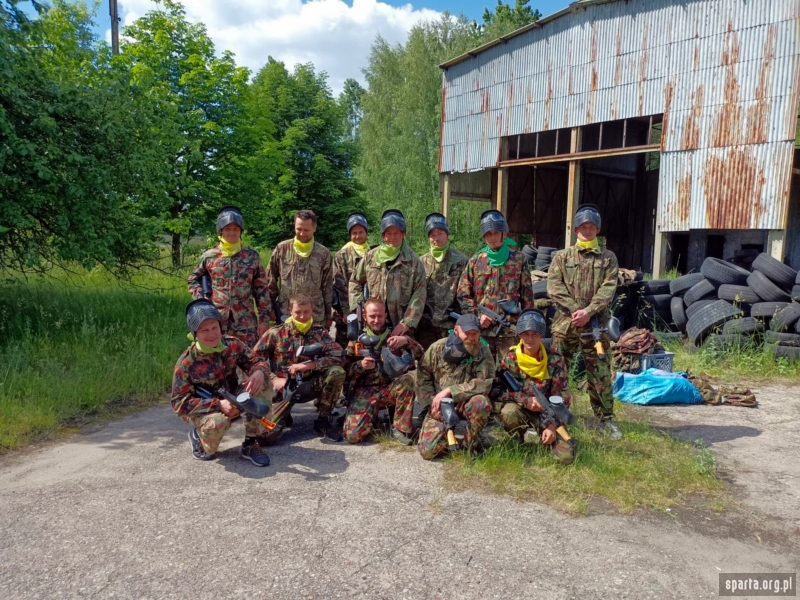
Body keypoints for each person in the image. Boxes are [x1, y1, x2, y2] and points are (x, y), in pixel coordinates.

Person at [547, 204, 621, 439]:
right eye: (582, 227)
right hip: (565, 324)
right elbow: (554, 287)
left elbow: (608, 288)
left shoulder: (608, 258)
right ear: (576, 229)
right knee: (556, 371)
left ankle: (605, 420)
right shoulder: (562, 257)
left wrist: (588, 312)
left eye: (591, 227)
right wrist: (575, 310)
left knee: (600, 373)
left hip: (596, 326)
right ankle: (551, 417)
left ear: (597, 229)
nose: (587, 231)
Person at [171, 299, 272, 466]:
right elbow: (178, 404)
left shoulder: (232, 344)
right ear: (195, 333)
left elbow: (257, 361)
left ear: (220, 327)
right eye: (204, 330)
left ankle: (250, 444)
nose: (211, 334)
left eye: (214, 328)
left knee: (263, 380)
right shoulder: (186, 363)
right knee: (217, 424)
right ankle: (199, 438)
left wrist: (259, 371)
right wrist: (217, 404)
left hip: (232, 398)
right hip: (205, 410)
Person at [252, 294, 346, 441]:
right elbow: (253, 360)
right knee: (265, 436)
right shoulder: (275, 333)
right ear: (290, 311)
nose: (302, 316)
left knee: (337, 372)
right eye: (298, 312)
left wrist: (311, 365)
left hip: (311, 385)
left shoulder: (320, 333)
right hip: (284, 389)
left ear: (312, 310)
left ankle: (323, 419)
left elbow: (340, 356)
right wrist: (273, 379)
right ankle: (284, 416)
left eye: (306, 312)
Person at [495, 309, 574, 464]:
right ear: (519, 335)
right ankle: (517, 440)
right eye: (526, 334)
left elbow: (562, 397)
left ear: (541, 336)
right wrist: (525, 401)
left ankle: (547, 440)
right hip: (521, 409)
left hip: (548, 414)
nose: (530, 339)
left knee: (565, 457)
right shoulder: (510, 358)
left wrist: (552, 426)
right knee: (509, 412)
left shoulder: (554, 359)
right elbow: (497, 391)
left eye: (535, 334)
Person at [342, 298, 424, 445]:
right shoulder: (356, 339)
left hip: (388, 389)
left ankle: (400, 428)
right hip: (364, 392)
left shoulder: (394, 336)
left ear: (385, 315)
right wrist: (361, 365)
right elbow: (345, 371)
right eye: (372, 316)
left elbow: (421, 355)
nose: (376, 320)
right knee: (352, 436)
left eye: (380, 316)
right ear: (364, 316)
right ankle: (370, 417)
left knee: (410, 379)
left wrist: (407, 342)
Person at [188, 205, 272, 347]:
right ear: (221, 230)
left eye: (235, 229)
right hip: (216, 322)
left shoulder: (252, 257)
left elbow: (262, 290)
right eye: (227, 229)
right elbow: (193, 280)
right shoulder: (209, 256)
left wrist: (264, 321)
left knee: (248, 358)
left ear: (241, 231)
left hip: (246, 324)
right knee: (218, 358)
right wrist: (202, 299)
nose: (232, 233)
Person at [457, 209, 534, 362]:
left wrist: (527, 327)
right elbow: (463, 294)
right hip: (482, 331)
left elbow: (527, 296)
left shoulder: (519, 260)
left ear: (504, 234)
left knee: (511, 371)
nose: (492, 238)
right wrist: (478, 316)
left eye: (495, 233)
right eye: (488, 234)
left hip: (509, 331)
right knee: (483, 370)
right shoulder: (475, 261)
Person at [416, 313, 494, 460]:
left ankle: (470, 444)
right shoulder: (438, 348)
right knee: (428, 452)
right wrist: (431, 404)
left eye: (475, 333)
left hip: (466, 403)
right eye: (467, 333)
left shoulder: (483, 350)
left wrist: (451, 391)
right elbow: (422, 378)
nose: (471, 338)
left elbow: (484, 383)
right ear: (456, 330)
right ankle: (445, 436)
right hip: (440, 405)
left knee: (481, 403)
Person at [349, 209, 426, 339]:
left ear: (403, 234)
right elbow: (354, 281)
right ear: (383, 236)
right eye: (389, 233)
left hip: (400, 325)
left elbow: (420, 294)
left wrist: (407, 322)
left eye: (396, 233)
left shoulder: (413, 261)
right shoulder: (371, 257)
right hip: (374, 324)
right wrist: (358, 306)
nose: (392, 237)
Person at [267, 210, 333, 330]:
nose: (302, 233)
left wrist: (328, 315)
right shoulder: (282, 249)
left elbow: (327, 287)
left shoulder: (323, 253)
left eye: (306, 230)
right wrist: (270, 308)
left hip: (315, 317)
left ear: (314, 228)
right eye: (299, 229)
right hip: (286, 314)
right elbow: (270, 280)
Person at [418, 212, 468, 349]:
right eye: (432, 235)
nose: (436, 238)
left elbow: (466, 292)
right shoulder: (420, 262)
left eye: (440, 233)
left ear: (447, 234)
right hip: (426, 327)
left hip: (452, 324)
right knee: (426, 360)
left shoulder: (461, 260)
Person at [332, 212, 370, 348]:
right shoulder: (341, 256)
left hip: (369, 313)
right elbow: (339, 286)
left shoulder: (373, 253)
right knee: (345, 348)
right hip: (346, 313)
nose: (358, 236)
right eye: (354, 233)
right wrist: (347, 311)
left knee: (367, 348)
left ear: (366, 233)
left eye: (361, 232)